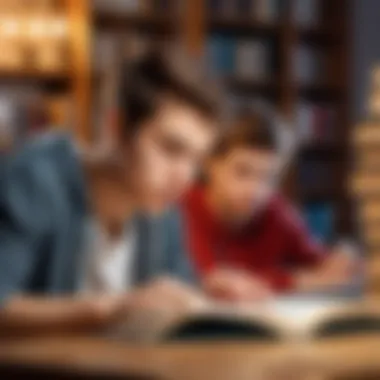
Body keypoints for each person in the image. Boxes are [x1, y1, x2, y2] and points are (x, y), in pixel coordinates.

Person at [0, 47, 221, 337]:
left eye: (196, 159)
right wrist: (109, 309)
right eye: (170, 149)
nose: (185, 177)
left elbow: (178, 297)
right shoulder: (36, 180)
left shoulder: (163, 208)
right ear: (116, 127)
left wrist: (208, 292)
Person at [182, 107, 358, 301]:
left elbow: (323, 267)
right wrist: (293, 280)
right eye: (243, 172)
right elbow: (205, 280)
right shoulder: (182, 209)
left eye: (268, 177)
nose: (255, 191)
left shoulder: (277, 213)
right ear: (210, 164)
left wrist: (342, 260)